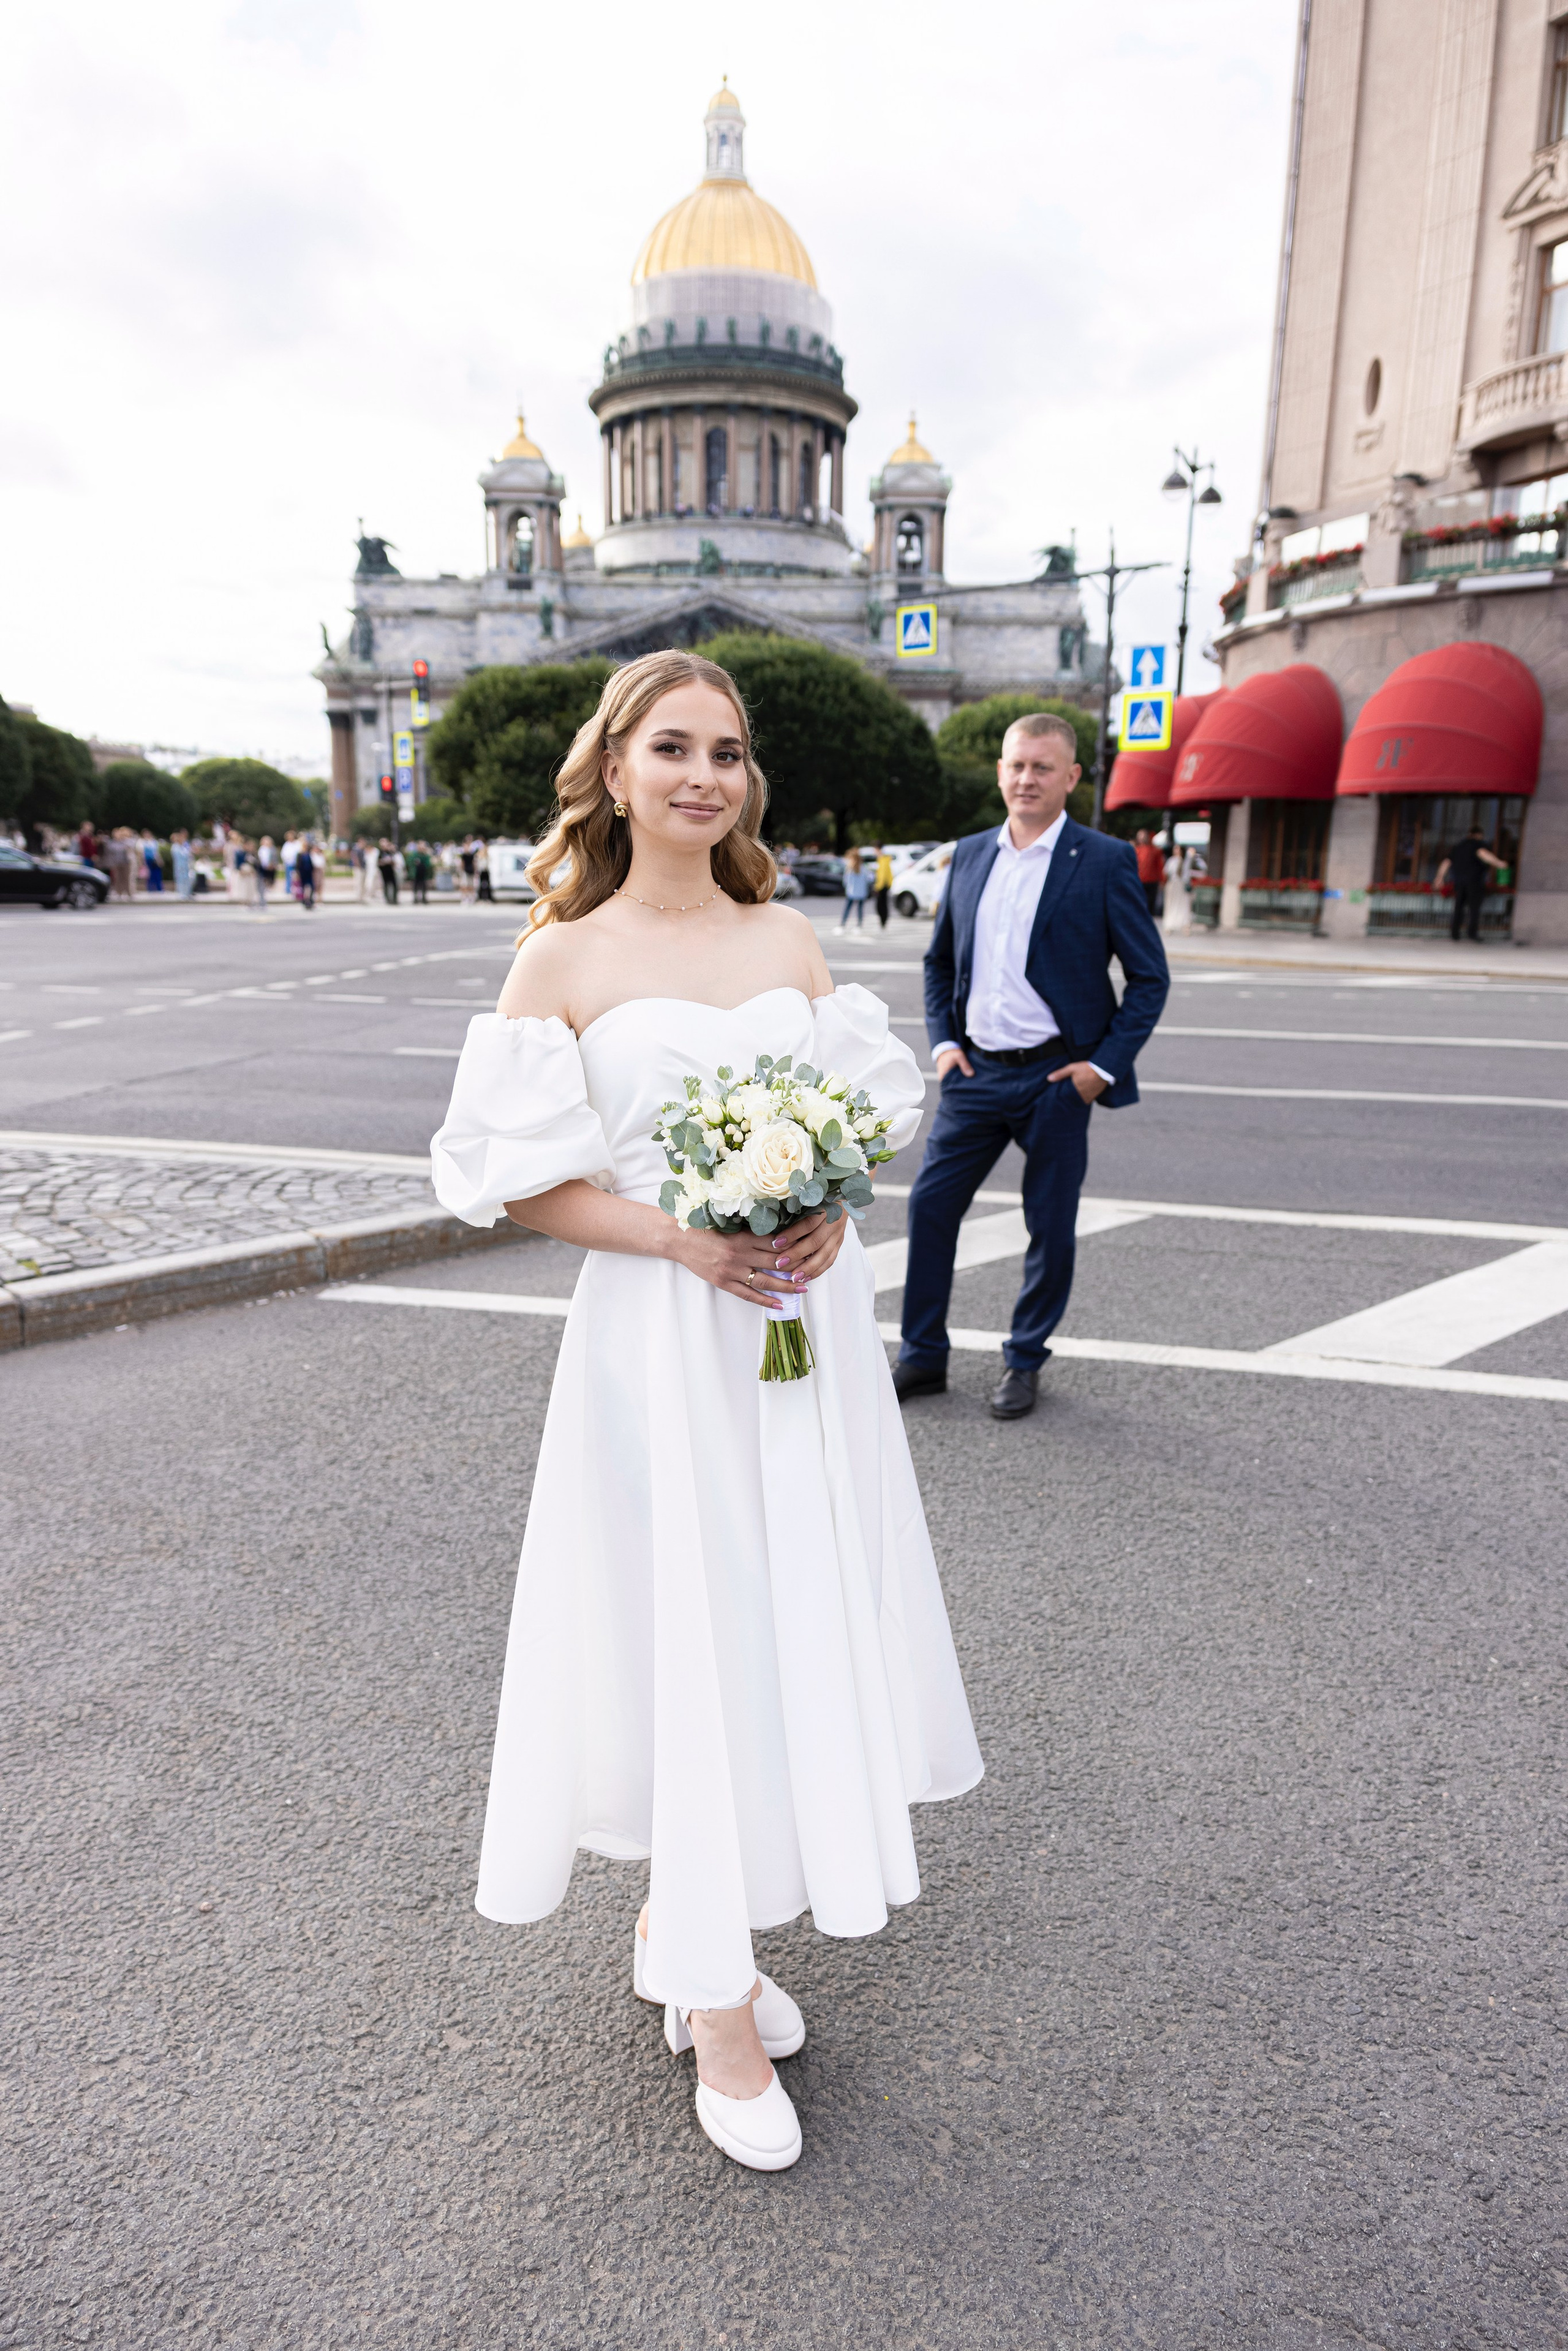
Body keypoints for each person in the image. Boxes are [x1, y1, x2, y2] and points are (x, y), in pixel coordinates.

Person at [429, 649, 982, 2175]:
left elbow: (858, 1115)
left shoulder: (785, 935)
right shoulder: (559, 958)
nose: (703, 776)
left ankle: (689, 1924)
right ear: (613, 770)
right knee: (689, 1628)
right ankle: (714, 2000)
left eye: (727, 752)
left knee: (778, 1624)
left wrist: (827, 1204)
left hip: (800, 1335)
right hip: (662, 1339)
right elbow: (519, 1182)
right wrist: (682, 1236)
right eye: (671, 747)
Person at [895, 712, 1170, 1421]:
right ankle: (923, 1354)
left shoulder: (1103, 859)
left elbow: (1149, 977)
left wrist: (1099, 1068)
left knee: (1048, 1224)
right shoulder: (969, 854)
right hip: (974, 1076)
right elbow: (939, 963)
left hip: (1056, 1079)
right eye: (1016, 765)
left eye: (1042, 767)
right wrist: (943, 1045)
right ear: (1000, 771)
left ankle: (1024, 1360)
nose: (1026, 779)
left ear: (1071, 777)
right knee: (929, 1207)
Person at [1435, 824, 1504, 941]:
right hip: (1474, 881)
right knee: (1474, 908)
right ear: (1479, 835)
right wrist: (1499, 864)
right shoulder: (1478, 844)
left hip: (1459, 882)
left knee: (1459, 907)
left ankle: (1455, 933)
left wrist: (1439, 878)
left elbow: (1446, 862)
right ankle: (1472, 934)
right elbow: (1484, 854)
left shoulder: (1458, 847)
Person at [837, 847, 872, 929]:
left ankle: (843, 924)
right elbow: (869, 879)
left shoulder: (850, 868)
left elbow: (846, 881)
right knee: (860, 909)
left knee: (848, 909)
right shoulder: (863, 868)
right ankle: (859, 925)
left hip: (851, 892)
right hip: (861, 892)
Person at [1133, 826, 1163, 917]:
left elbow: (1159, 866)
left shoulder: (1155, 851)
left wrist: (1161, 880)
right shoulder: (1136, 850)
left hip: (1152, 881)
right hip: (1140, 881)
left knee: (1150, 905)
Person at [873, 845, 895, 929]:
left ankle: (883, 921)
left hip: (882, 886)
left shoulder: (883, 860)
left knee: (881, 905)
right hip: (883, 885)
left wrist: (878, 886)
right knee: (882, 905)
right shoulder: (881, 859)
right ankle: (883, 921)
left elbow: (883, 875)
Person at [254, 834, 277, 911]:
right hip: (262, 869)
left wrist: (273, 865)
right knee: (262, 884)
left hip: (270, 869)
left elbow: (275, 859)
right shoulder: (261, 850)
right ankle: (262, 900)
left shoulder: (273, 849)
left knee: (268, 883)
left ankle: (264, 899)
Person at [296, 834, 318, 910]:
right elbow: (298, 865)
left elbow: (312, 863)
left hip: (309, 873)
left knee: (311, 886)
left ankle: (310, 900)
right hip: (303, 873)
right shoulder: (300, 854)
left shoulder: (310, 854)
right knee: (303, 887)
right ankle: (304, 900)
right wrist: (297, 873)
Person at [408, 840, 432, 904]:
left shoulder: (426, 855)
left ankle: (424, 898)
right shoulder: (414, 855)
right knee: (415, 886)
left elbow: (428, 864)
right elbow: (410, 862)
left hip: (423, 873)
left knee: (424, 886)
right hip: (416, 873)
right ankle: (416, 898)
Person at [172, 831, 193, 899]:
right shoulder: (175, 847)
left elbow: (188, 855)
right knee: (180, 880)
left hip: (185, 866)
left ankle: (187, 893)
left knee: (186, 880)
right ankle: (181, 893)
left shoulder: (183, 847)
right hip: (180, 866)